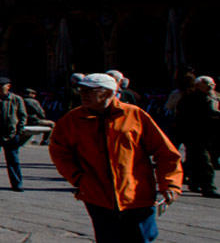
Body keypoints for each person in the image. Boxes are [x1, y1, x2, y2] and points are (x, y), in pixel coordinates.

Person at [50, 73, 182, 242]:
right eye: (81, 90)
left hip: (136, 194)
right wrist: (78, 178)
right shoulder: (73, 119)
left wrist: (170, 183)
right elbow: (60, 152)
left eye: (89, 91)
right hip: (97, 195)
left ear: (108, 92)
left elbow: (165, 152)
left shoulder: (134, 115)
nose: (82, 94)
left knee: (142, 238)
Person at [177, 76, 216, 198]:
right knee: (205, 162)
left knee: (194, 159)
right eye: (208, 84)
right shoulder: (191, 99)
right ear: (199, 85)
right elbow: (183, 117)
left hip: (208, 135)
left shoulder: (213, 97)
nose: (211, 87)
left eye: (212, 85)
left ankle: (193, 182)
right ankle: (208, 187)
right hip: (195, 134)